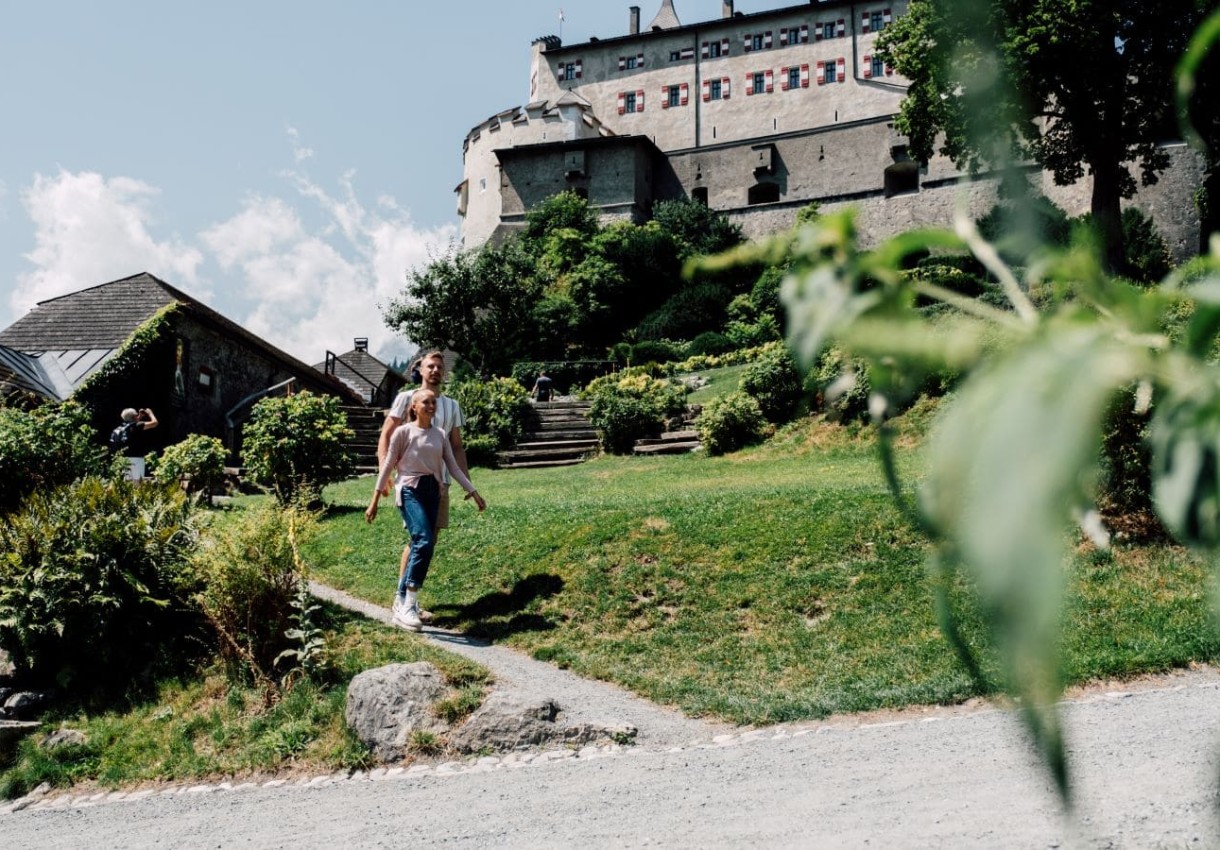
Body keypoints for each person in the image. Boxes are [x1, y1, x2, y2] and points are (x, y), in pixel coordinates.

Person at [366, 389, 486, 631]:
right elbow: (389, 465)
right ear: (414, 406)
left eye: (434, 402)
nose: (431, 405)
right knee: (423, 540)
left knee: (423, 542)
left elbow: (452, 466)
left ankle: (401, 601)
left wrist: (474, 492)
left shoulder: (440, 434)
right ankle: (409, 605)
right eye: (426, 402)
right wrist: (375, 500)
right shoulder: (403, 432)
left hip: (433, 491)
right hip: (410, 490)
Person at [377, 351, 469, 619]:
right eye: (431, 366)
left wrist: (467, 483)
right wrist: (385, 473)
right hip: (411, 483)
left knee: (429, 541)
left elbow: (457, 447)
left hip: (440, 485)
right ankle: (402, 598)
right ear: (420, 369)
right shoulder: (406, 398)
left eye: (440, 367)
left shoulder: (452, 406)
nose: (436, 370)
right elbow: (387, 434)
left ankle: (409, 600)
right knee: (419, 540)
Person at [109, 407, 159, 481]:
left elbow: (132, 424)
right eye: (136, 415)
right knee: (136, 484)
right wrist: (150, 413)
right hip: (136, 459)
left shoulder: (118, 429)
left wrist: (139, 416)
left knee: (127, 483)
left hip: (122, 460)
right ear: (134, 417)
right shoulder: (137, 426)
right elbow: (155, 423)